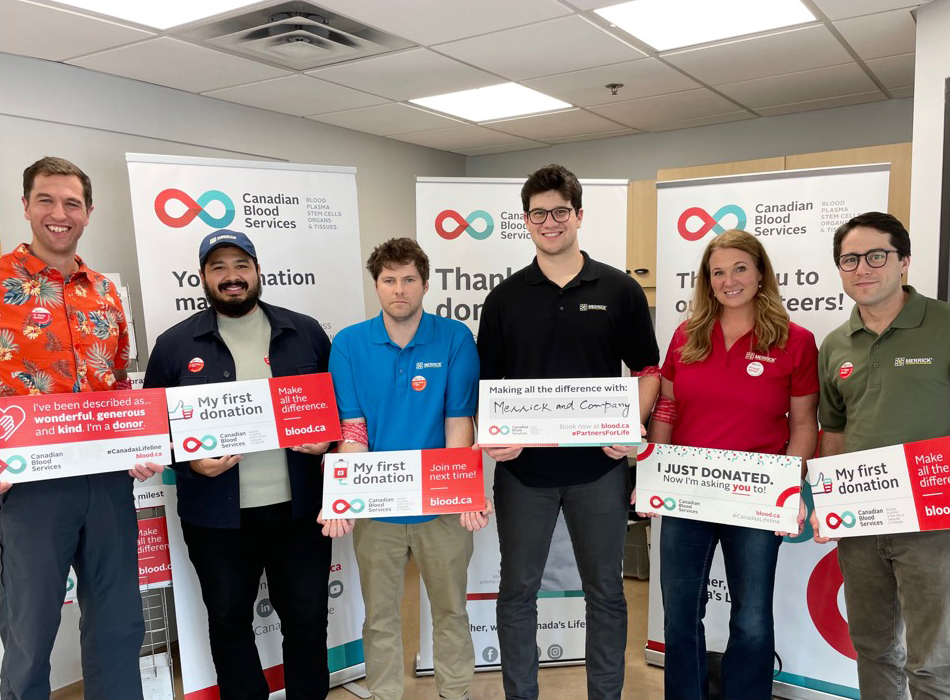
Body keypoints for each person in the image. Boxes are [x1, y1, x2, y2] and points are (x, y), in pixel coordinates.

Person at [476, 164, 660, 700]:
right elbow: (488, 382)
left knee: (606, 593)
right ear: (526, 222)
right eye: (539, 214)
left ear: (579, 215)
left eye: (560, 211)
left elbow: (649, 371)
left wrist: (634, 427)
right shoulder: (505, 298)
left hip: (598, 471)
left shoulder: (620, 289)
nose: (550, 222)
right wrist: (493, 433)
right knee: (517, 593)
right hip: (524, 473)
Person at [143, 230, 333, 700]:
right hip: (218, 517)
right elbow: (150, 430)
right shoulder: (173, 345)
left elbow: (339, 407)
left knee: (308, 618)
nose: (232, 277)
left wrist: (327, 439)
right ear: (204, 277)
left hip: (300, 509)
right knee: (229, 621)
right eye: (219, 268)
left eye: (241, 266)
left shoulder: (304, 331)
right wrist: (190, 464)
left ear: (257, 270)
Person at [646, 229, 818, 700]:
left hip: (757, 496)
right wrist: (650, 475)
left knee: (752, 618)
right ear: (707, 280)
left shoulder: (795, 341)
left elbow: (804, 426)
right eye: (718, 272)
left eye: (740, 268)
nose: (729, 280)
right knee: (681, 614)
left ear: (761, 273)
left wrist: (790, 489)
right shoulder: (687, 336)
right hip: (687, 494)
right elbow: (667, 409)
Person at [0, 156, 149, 699]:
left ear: (88, 212)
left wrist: (139, 441)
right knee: (29, 630)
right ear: (25, 206)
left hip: (108, 481)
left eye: (71, 203)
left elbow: (118, 384)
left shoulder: (105, 294)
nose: (59, 213)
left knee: (119, 622)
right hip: (31, 487)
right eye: (46, 200)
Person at [320, 237, 489, 700]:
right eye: (389, 280)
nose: (399, 290)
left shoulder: (454, 338)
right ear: (376, 285)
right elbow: (353, 431)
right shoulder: (350, 344)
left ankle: (456, 692)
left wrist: (464, 491)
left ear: (425, 283)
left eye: (409, 279)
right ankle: (385, 693)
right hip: (377, 508)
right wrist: (343, 495)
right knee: (380, 615)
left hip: (441, 506)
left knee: (452, 609)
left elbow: (459, 423)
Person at [809, 212, 950, 699]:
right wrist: (830, 503)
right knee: (872, 647)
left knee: (932, 660)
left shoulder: (945, 326)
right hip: (862, 523)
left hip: (934, 528)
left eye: (876, 256)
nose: (862, 268)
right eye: (850, 259)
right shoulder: (834, 345)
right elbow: (835, 430)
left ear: (904, 261)